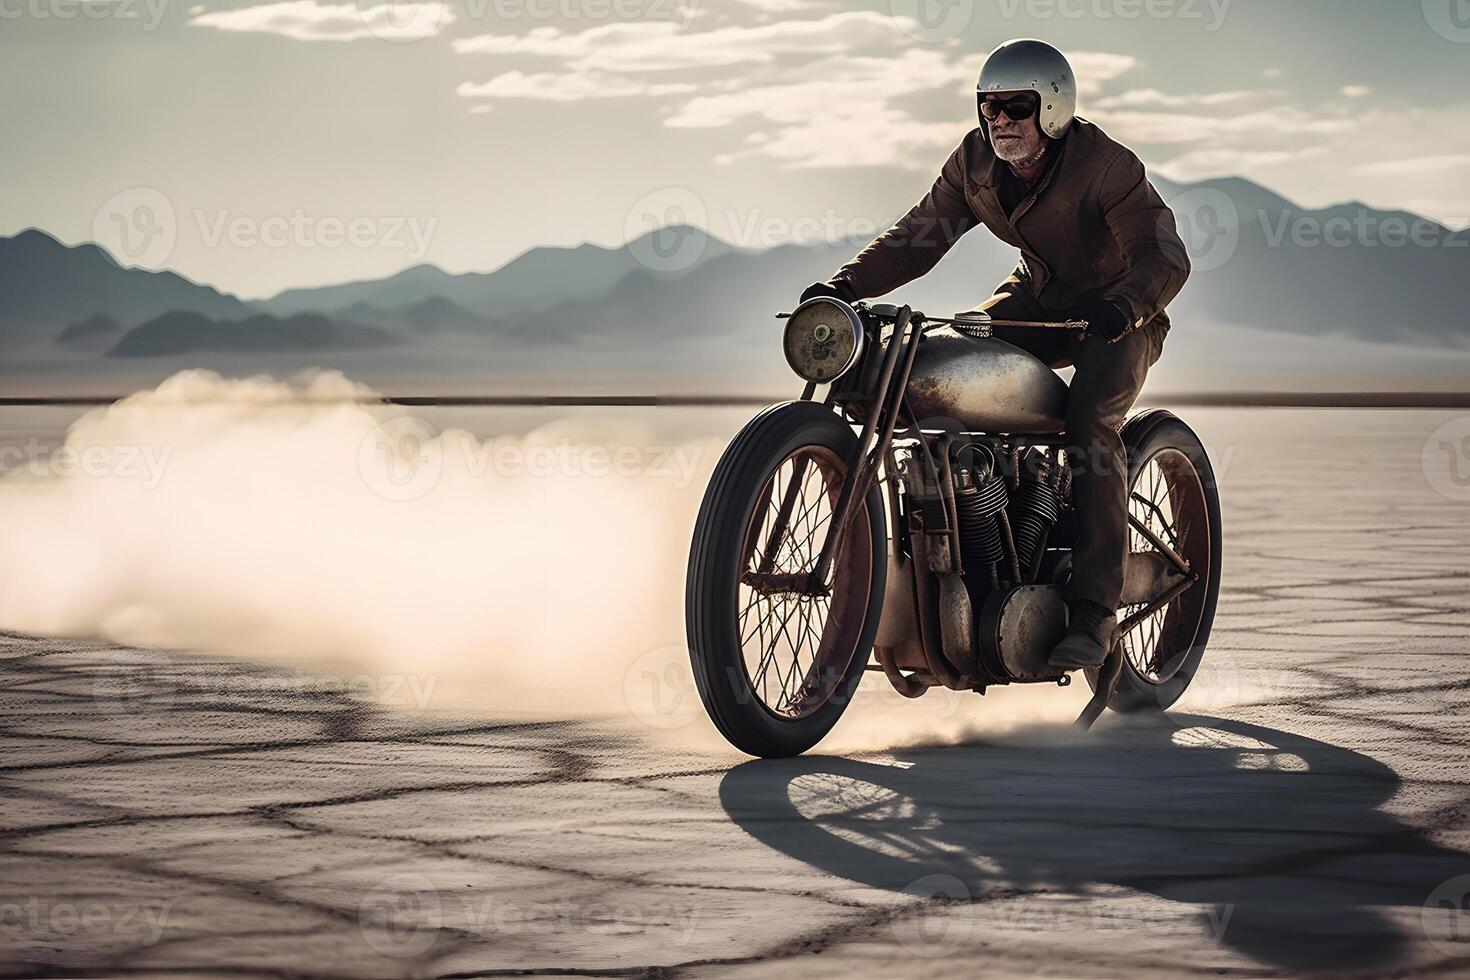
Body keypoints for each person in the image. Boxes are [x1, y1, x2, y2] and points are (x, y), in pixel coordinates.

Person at [801, 38, 1191, 670]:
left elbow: (1163, 255)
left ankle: (1094, 613)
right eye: (989, 106)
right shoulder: (975, 162)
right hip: (1035, 299)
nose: (1000, 120)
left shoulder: (1107, 167)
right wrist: (845, 285)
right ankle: (983, 531)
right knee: (957, 364)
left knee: (1091, 423)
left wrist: (1123, 306)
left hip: (1118, 316)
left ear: (1054, 110)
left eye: (1016, 106)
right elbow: (917, 237)